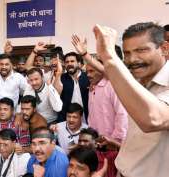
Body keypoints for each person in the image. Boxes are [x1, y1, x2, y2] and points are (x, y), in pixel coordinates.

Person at [93, 22, 169, 177]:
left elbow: (152, 119)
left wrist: (109, 56)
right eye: (127, 53)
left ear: (164, 48)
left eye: (142, 50)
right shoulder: (140, 80)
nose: (133, 59)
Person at [86, 62, 128, 142]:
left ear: (102, 71)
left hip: (114, 141)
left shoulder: (112, 86)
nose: (88, 75)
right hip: (97, 141)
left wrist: (116, 139)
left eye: (91, 71)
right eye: (87, 72)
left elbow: (122, 114)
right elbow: (91, 116)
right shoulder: (92, 88)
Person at [53, 52, 90, 123]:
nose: (69, 64)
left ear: (78, 63)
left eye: (72, 61)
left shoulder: (88, 77)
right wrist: (58, 73)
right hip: (67, 119)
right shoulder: (61, 77)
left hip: (87, 118)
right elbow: (56, 94)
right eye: (67, 62)